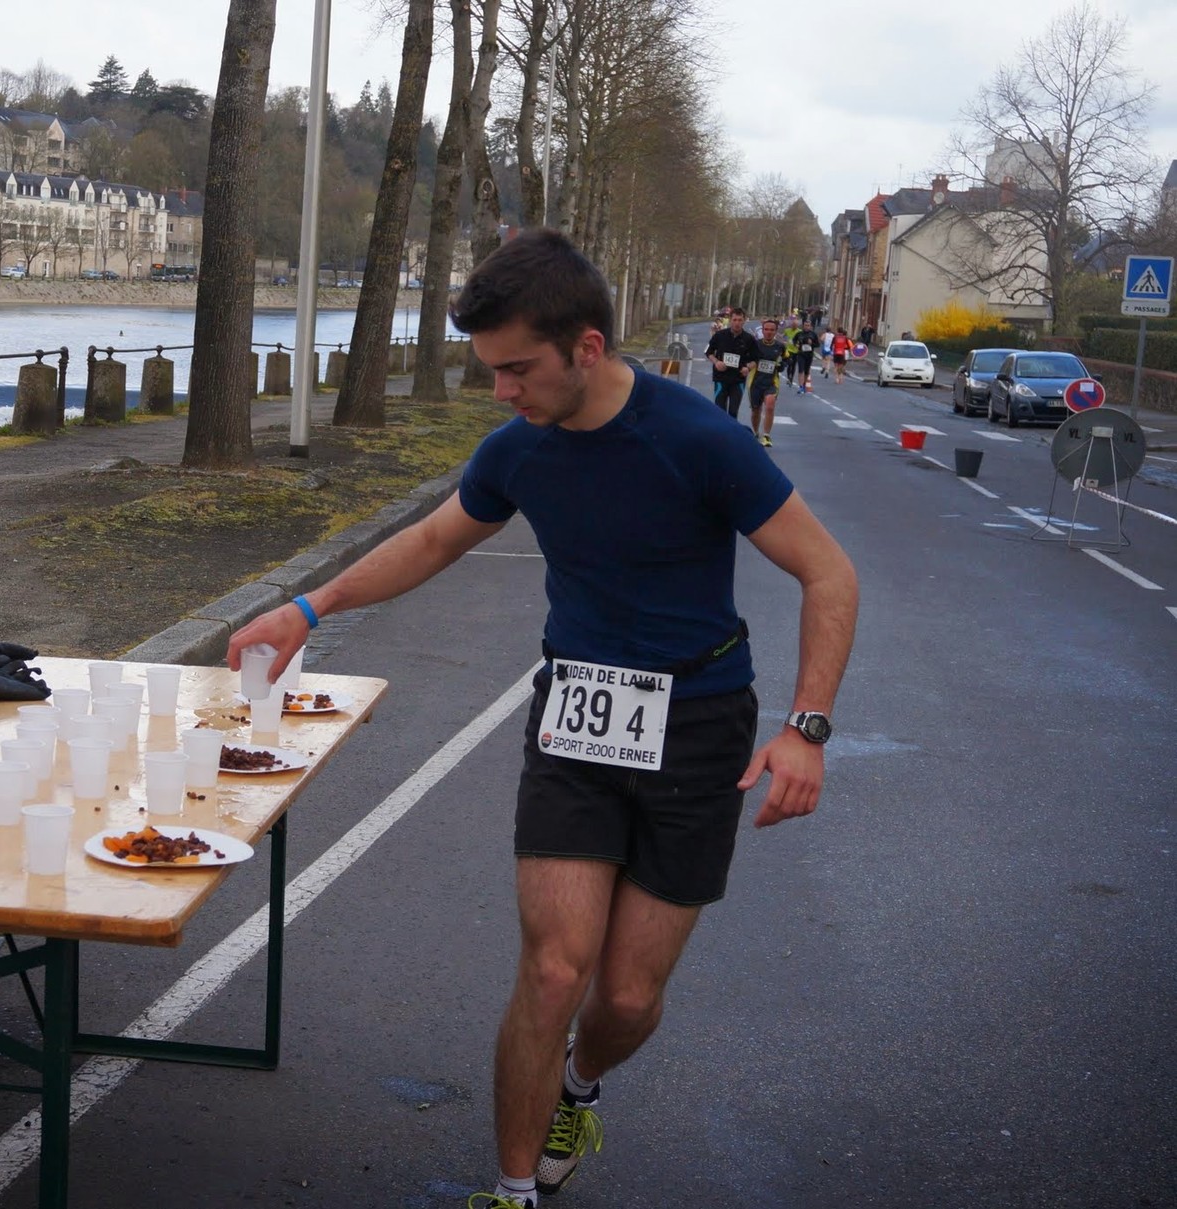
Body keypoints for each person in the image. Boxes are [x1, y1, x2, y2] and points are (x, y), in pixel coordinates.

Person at [227, 228, 858, 1209]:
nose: (500, 391)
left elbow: (829, 573)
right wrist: (307, 608)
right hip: (575, 717)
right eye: (489, 370)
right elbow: (436, 538)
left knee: (624, 998)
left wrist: (805, 728)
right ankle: (512, 1189)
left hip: (697, 726)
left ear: (589, 349)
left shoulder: (700, 441)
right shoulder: (517, 450)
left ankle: (577, 1083)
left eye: (516, 368)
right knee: (555, 969)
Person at [703, 307, 758, 420]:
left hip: (738, 380)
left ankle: (730, 436)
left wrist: (748, 368)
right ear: (730, 320)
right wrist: (717, 362)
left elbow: (757, 359)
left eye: (740, 320)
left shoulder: (749, 339)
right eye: (734, 320)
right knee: (720, 412)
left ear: (744, 321)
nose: (737, 323)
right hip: (721, 378)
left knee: (733, 412)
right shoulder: (719, 335)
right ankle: (720, 436)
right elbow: (708, 352)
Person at [749, 316, 788, 447]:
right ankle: (755, 433)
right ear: (763, 330)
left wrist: (782, 365)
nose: (769, 332)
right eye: (766, 329)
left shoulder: (780, 346)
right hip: (755, 382)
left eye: (772, 330)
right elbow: (747, 358)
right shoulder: (755, 345)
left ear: (776, 331)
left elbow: (787, 359)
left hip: (771, 382)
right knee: (756, 410)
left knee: (770, 406)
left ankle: (766, 436)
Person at [794, 319, 819, 394]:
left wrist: (811, 343)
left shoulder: (813, 334)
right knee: (800, 370)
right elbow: (794, 341)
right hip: (801, 354)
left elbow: (817, 344)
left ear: (810, 326)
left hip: (809, 355)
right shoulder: (799, 334)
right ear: (803, 326)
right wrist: (796, 345)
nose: (807, 327)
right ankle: (801, 387)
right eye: (805, 325)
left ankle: (804, 385)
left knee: (806, 371)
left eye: (808, 325)